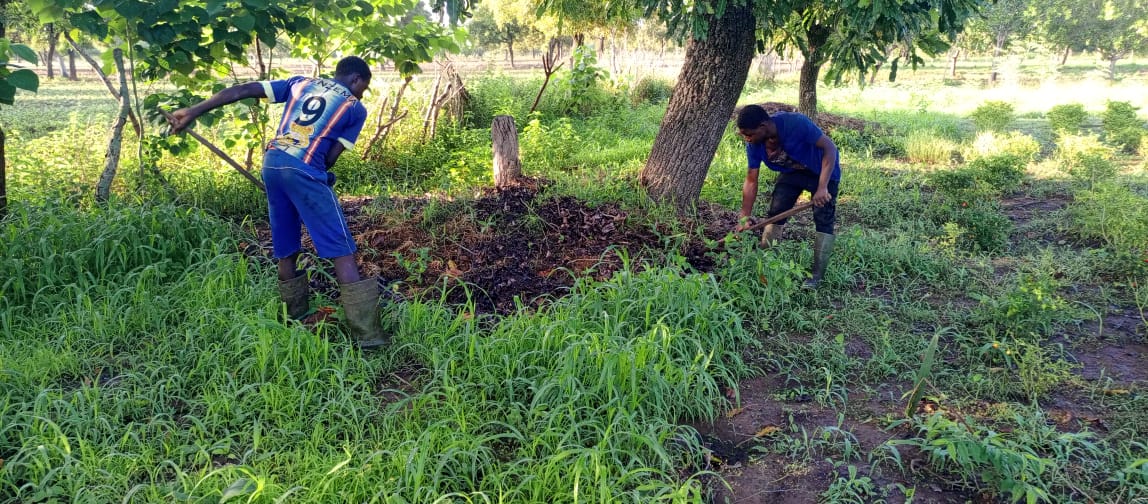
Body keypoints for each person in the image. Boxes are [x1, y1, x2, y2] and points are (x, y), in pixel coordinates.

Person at [168, 56, 386, 348]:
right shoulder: (354, 108)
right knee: (341, 248)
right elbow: (330, 158)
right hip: (305, 167)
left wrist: (193, 111)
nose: (360, 94)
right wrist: (320, 179)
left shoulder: (299, 83)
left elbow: (243, 90)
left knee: (286, 245)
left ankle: (292, 317)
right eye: (362, 88)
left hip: (273, 163)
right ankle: (369, 337)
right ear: (356, 80)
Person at [733, 104, 841, 289]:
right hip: (792, 173)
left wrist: (822, 187)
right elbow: (751, 179)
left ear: (763, 127)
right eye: (744, 135)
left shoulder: (795, 123)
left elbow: (829, 148)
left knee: (823, 218)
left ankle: (816, 276)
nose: (747, 138)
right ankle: (767, 262)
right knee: (776, 210)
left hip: (822, 171)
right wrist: (744, 216)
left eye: (749, 134)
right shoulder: (754, 145)